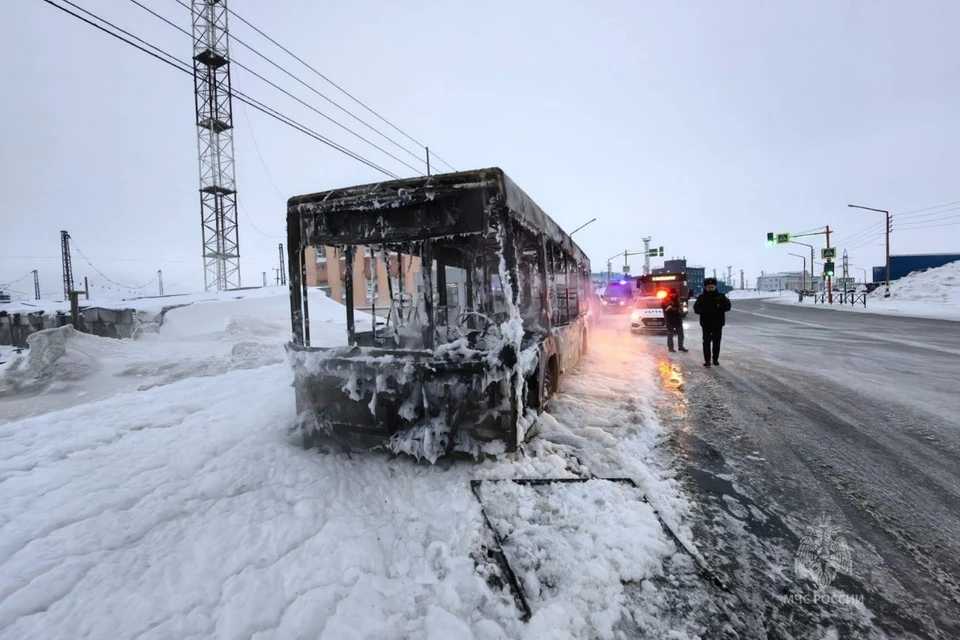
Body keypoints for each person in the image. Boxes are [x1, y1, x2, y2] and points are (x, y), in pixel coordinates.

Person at [693, 278, 732, 367]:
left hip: (718, 324)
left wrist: (718, 309)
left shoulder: (721, 296)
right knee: (706, 342)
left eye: (712, 287)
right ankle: (707, 360)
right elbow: (696, 308)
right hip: (706, 324)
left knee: (716, 342)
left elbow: (728, 306)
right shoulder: (701, 297)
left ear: (715, 287)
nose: (710, 289)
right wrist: (703, 311)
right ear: (705, 287)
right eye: (708, 287)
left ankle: (715, 359)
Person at [662, 288, 687, 353]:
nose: (673, 294)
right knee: (670, 334)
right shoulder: (666, 300)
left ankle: (680, 346)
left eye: (674, 293)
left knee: (681, 334)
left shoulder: (679, 299)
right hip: (670, 320)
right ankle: (670, 347)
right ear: (669, 293)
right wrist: (676, 310)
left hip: (678, 320)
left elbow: (682, 307)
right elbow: (667, 308)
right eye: (672, 293)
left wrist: (680, 310)